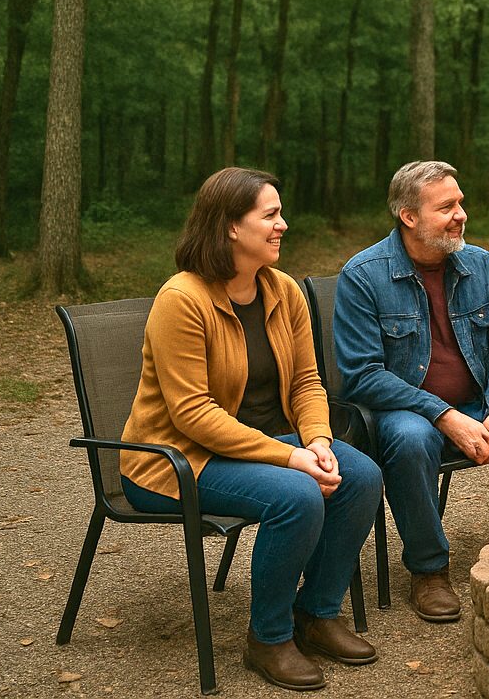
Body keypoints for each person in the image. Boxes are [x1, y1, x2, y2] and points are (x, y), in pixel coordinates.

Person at [120, 168, 383, 692]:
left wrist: (318, 442)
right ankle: (268, 638)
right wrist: (291, 460)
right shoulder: (182, 300)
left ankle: (316, 613)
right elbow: (192, 413)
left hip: (261, 448)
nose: (283, 224)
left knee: (362, 476)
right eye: (270, 215)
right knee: (298, 497)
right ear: (230, 228)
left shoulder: (282, 291)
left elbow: (309, 381)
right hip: (175, 459)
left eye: (280, 213)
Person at [334, 160, 489, 623]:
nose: (461, 214)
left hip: (478, 403)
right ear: (409, 217)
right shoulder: (363, 276)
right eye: (446, 207)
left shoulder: (480, 265)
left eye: (460, 203)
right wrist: (444, 414)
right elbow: (362, 375)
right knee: (410, 439)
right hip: (406, 413)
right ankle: (429, 569)